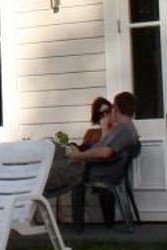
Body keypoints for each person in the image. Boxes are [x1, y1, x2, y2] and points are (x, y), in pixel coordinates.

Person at [44, 91, 140, 229]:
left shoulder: (124, 129)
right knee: (53, 148)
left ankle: (30, 189)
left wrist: (77, 156)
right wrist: (78, 152)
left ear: (116, 108)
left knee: (50, 168)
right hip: (91, 165)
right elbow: (102, 149)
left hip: (91, 169)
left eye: (112, 108)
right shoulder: (125, 128)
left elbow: (104, 153)